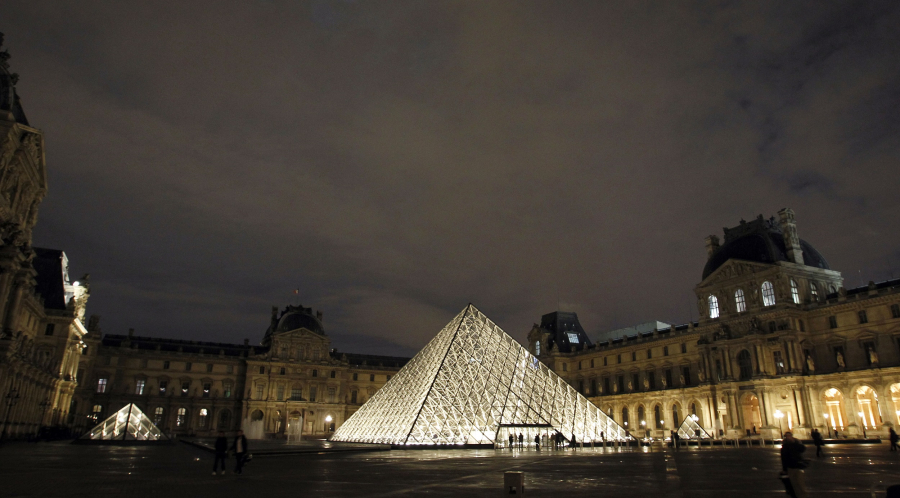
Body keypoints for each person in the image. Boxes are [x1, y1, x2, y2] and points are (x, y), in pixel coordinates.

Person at [780, 432, 808, 498]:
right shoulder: (785, 446)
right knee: (794, 484)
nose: (788, 437)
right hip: (790, 467)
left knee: (801, 484)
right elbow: (783, 459)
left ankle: (803, 496)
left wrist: (794, 442)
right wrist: (784, 469)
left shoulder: (796, 443)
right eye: (787, 436)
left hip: (798, 467)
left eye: (789, 436)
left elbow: (802, 449)